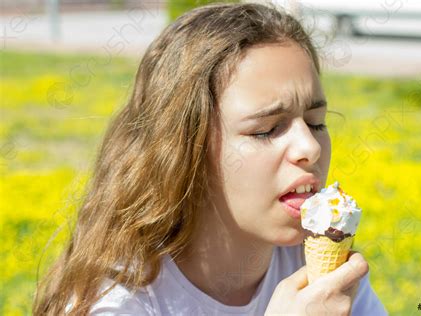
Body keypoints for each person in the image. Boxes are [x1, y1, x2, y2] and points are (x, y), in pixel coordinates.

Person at [33, 2, 387, 315]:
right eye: (266, 129)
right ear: (183, 150)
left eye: (316, 122)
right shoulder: (122, 301)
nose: (309, 147)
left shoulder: (314, 272)